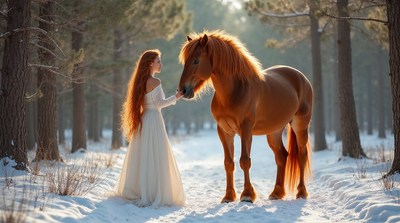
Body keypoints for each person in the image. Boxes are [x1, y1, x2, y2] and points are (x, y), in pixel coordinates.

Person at [116, 49, 185, 207]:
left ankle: (142, 190)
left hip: (144, 120)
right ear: (150, 63)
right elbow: (159, 104)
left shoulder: (140, 81)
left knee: (143, 156)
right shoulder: (155, 82)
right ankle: (154, 192)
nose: (161, 64)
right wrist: (176, 97)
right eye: (158, 61)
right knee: (156, 156)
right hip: (154, 119)